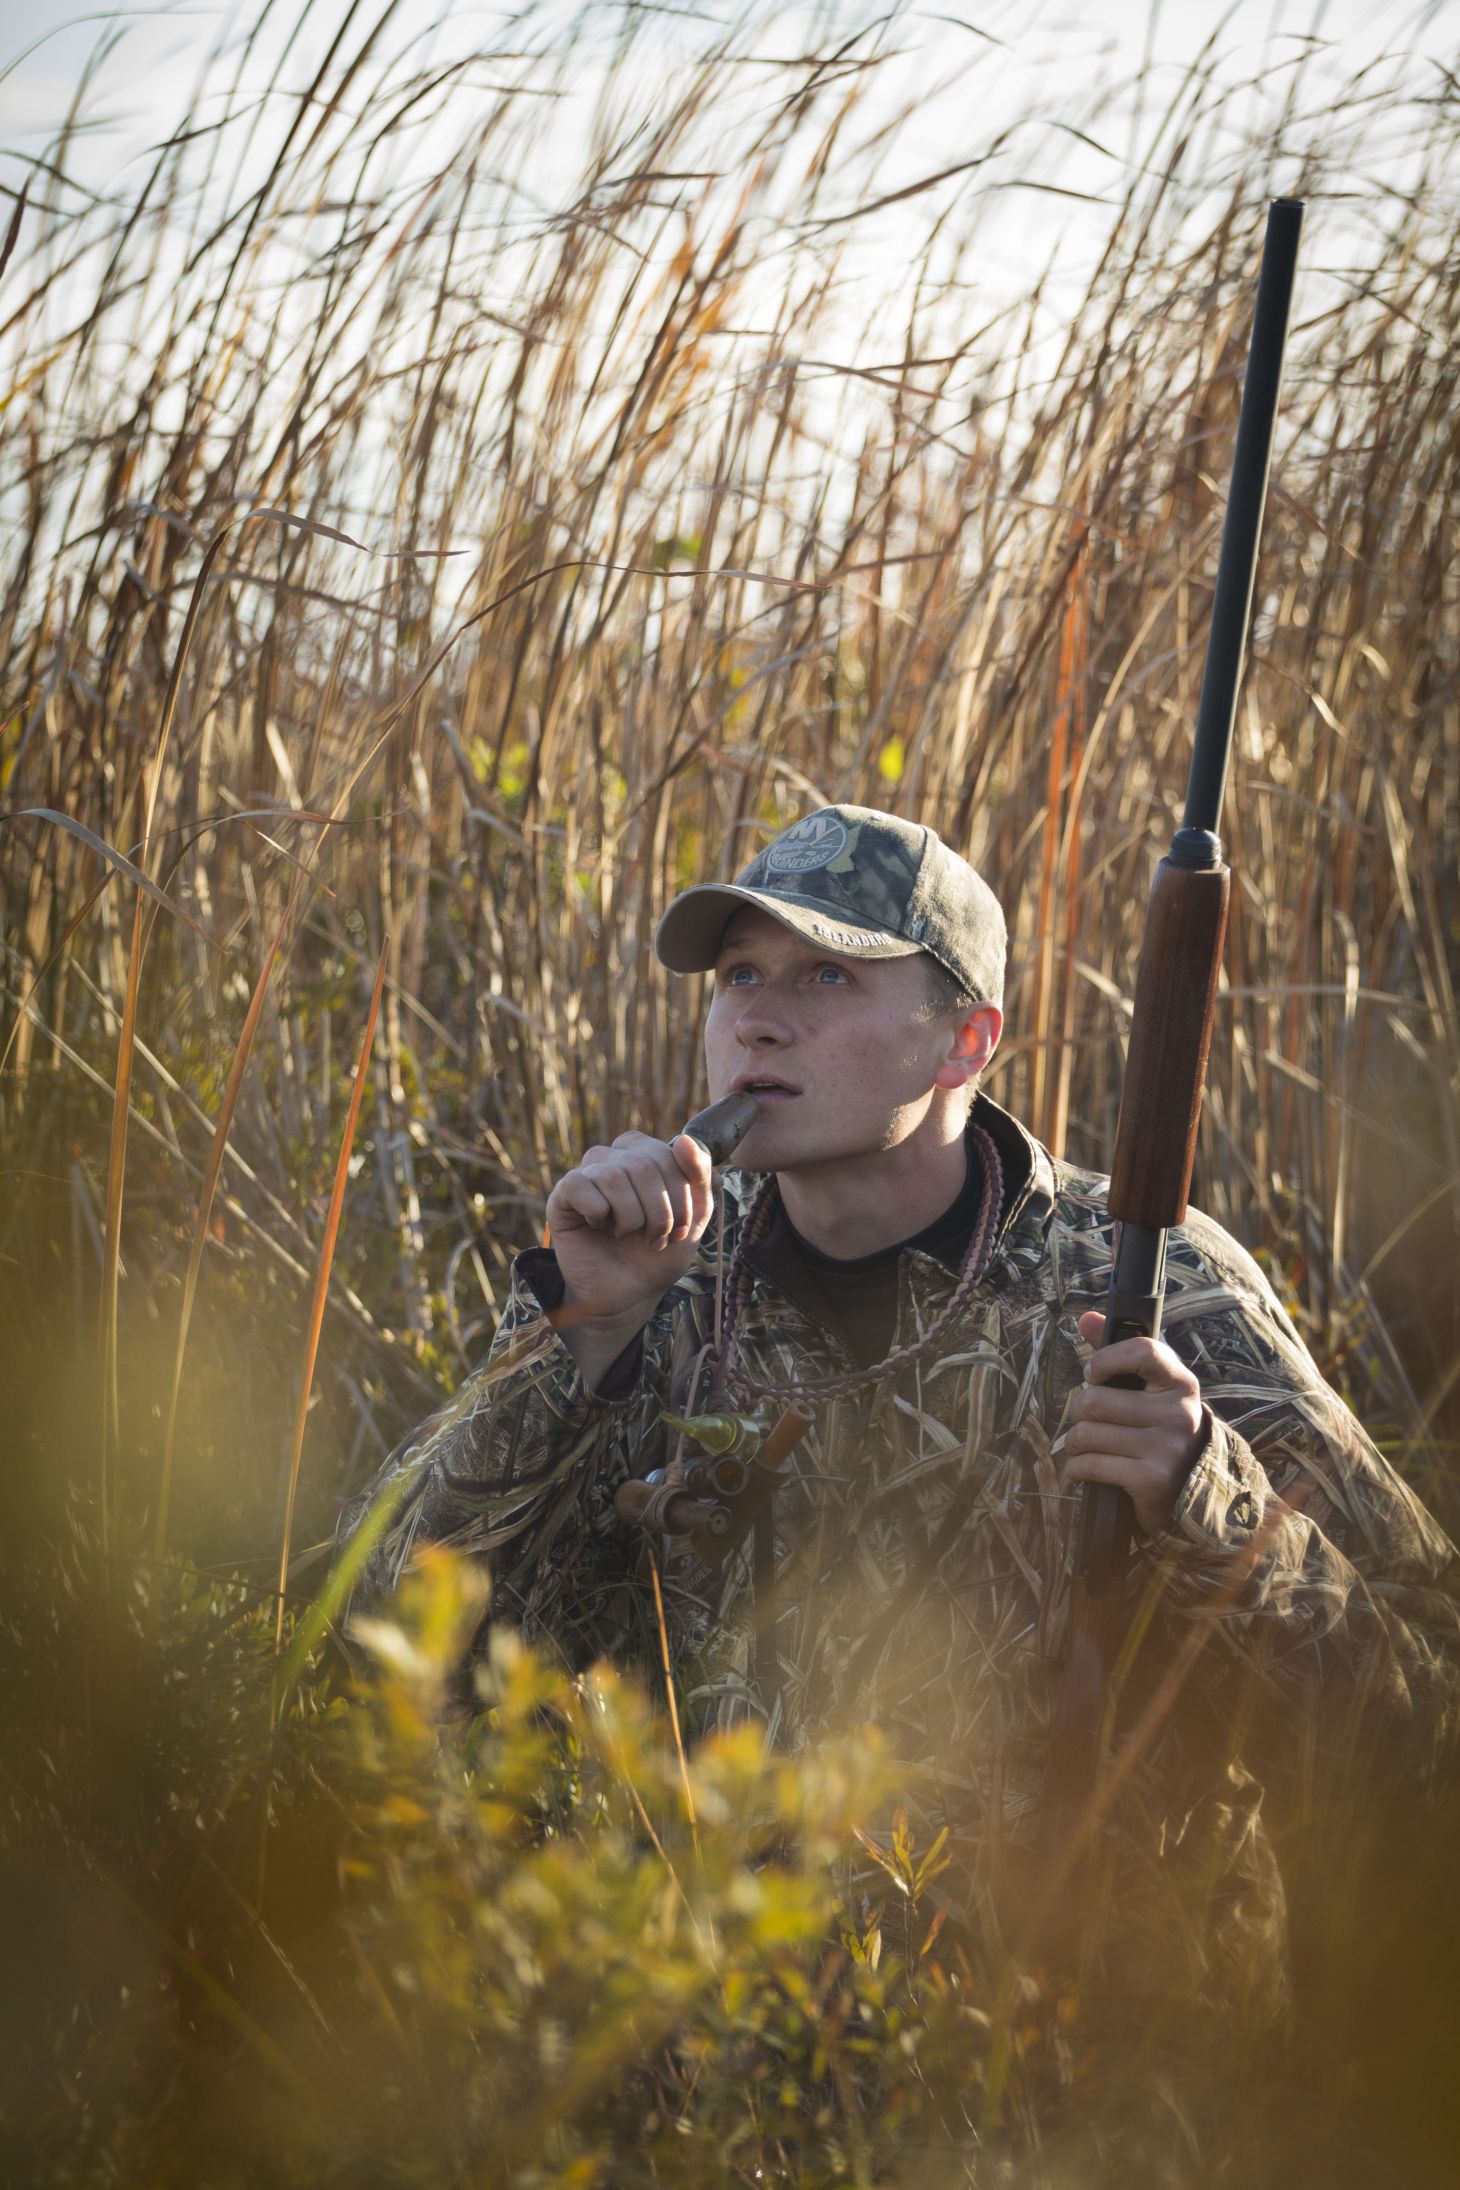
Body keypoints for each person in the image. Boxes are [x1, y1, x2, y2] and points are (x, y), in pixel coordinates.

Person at [337, 803, 1459, 2048]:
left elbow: (1422, 1730)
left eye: (826, 974)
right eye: (740, 978)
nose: (759, 1016)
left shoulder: (1150, 1283)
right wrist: (576, 1344)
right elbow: (385, 1644)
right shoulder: (655, 1287)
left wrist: (1212, 1497)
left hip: (1093, 2092)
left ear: (963, 1042)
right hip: (722, 2088)